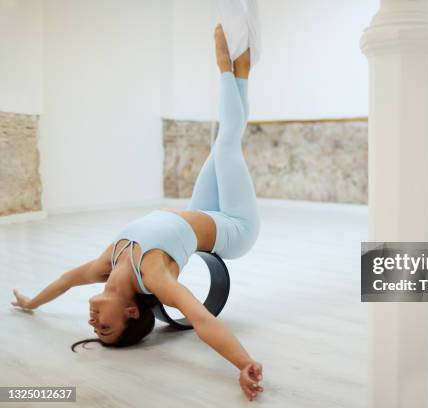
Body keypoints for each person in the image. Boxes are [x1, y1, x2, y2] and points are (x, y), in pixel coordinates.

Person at [11, 25, 263, 402]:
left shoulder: (105, 265)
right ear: (131, 311)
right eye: (106, 330)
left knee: (224, 142)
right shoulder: (155, 277)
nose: (94, 324)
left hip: (200, 213)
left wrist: (31, 303)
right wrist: (244, 363)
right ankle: (225, 66)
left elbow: (64, 280)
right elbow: (201, 319)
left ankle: (240, 70)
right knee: (227, 143)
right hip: (235, 228)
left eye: (95, 330)